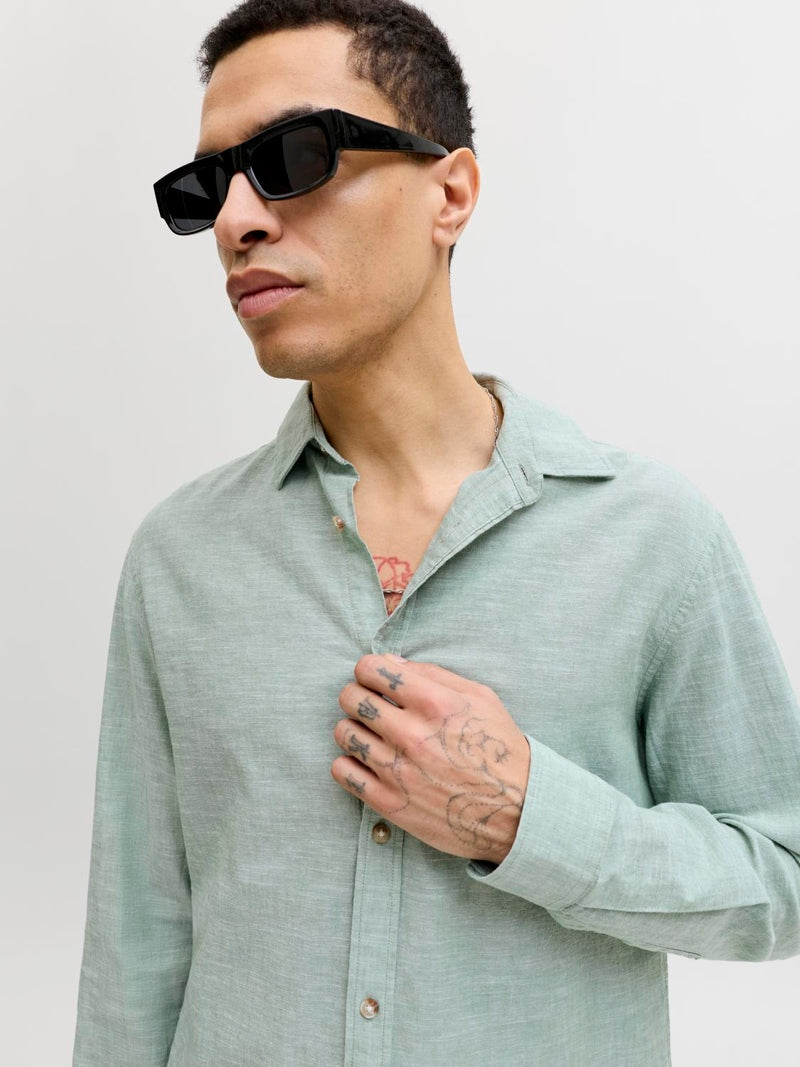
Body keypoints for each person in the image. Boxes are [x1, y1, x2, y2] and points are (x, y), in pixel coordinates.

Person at [72, 1, 800, 1064]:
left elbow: (782, 877)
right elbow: (135, 947)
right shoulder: (179, 556)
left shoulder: (653, 537)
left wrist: (529, 819)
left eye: (290, 157)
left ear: (448, 193)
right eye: (206, 188)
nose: (235, 221)